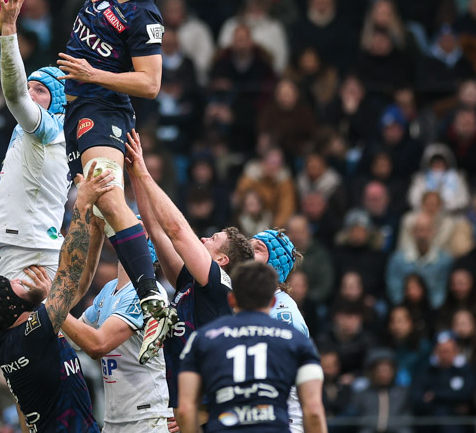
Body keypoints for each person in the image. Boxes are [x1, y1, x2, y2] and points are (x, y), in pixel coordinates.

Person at [37, 0, 179, 362]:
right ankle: (54, 320)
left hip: (105, 111)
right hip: (78, 109)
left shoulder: (145, 17)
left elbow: (150, 84)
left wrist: (94, 74)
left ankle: (150, 296)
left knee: (102, 193)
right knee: (88, 218)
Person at [0, 165, 111, 433]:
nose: (23, 279)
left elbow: (77, 286)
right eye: (17, 284)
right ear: (13, 306)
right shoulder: (31, 333)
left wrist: (97, 230)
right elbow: (69, 272)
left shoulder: (12, 338)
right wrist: (82, 204)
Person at [125, 129, 254, 407]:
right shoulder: (191, 283)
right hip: (181, 405)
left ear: (222, 261)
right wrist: (135, 171)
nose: (205, 238)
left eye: (214, 239)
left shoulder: (220, 284)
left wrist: (146, 173)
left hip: (204, 408)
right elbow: (157, 232)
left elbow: (176, 230)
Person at [175, 261, 327, 433]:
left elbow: (185, 410)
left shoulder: (202, 339)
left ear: (231, 298)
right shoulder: (297, 341)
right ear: (273, 301)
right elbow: (313, 411)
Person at [0, 0, 69, 281]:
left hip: (30, 247)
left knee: (26, 326)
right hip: (24, 243)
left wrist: (8, 28)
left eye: (40, 90)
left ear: (58, 101)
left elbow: (15, 94)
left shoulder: (48, 127)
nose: (30, 94)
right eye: (30, 87)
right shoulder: (34, 132)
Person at [59, 255, 174, 432]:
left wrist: (53, 305)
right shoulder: (109, 288)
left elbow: (97, 345)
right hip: (113, 419)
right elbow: (75, 337)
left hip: (145, 417)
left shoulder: (148, 291)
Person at [251, 228, 309, 433]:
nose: (247, 252)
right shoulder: (248, 304)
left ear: (274, 265)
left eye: (257, 249)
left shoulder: (284, 313)